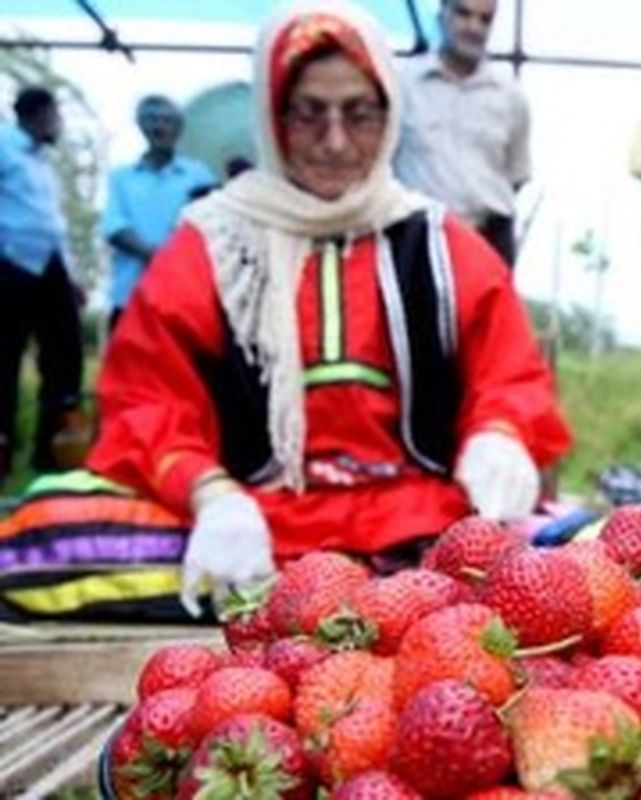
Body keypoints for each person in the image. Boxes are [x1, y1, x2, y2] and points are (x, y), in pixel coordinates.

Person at [84, 0, 570, 614]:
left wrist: (499, 438)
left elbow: (510, 377)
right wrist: (208, 494)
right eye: (310, 114)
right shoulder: (214, 241)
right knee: (54, 534)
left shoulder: (441, 241)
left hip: (419, 518)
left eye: (359, 115)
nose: (336, 142)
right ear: (271, 114)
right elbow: (145, 399)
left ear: (390, 115)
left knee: (574, 553)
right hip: (251, 518)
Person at [392, 0, 530, 267]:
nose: (473, 27)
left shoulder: (510, 97)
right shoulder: (403, 86)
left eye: (485, 19)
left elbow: (516, 176)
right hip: (416, 237)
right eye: (464, 14)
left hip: (487, 240)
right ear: (442, 14)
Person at [0, 86, 84, 483]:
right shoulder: (4, 146)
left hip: (50, 268)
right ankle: (2, 454)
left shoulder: (44, 164)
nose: (58, 124)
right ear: (36, 113)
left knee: (65, 358)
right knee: (4, 360)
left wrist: (71, 277)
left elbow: (54, 224)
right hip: (11, 265)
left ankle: (52, 453)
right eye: (54, 115)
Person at [101, 95, 215, 333]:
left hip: (185, 298)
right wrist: (159, 257)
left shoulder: (199, 175)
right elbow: (114, 228)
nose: (159, 127)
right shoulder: (122, 177)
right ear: (141, 126)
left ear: (178, 128)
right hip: (131, 295)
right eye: (152, 120)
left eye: (167, 121)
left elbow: (213, 227)